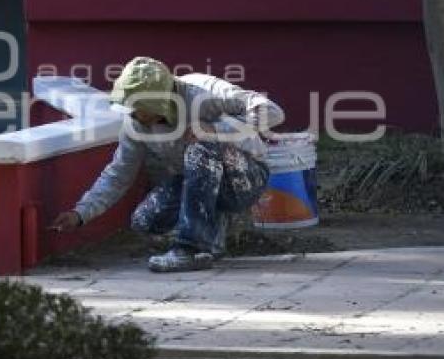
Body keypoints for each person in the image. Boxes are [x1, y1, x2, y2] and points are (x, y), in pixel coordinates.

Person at [50, 57, 285, 273]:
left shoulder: (203, 93)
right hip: (198, 182)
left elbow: (272, 112)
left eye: (136, 107)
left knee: (200, 147)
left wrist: (216, 130)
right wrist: (80, 213)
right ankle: (212, 233)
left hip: (245, 177)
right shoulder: (136, 126)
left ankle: (190, 249)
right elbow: (118, 174)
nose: (131, 114)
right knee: (145, 220)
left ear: (156, 102)